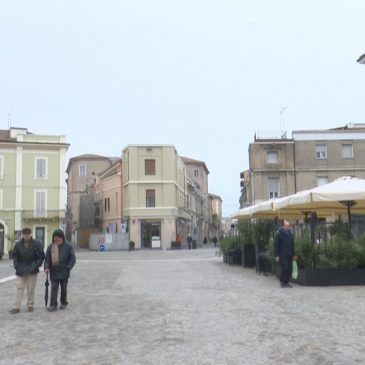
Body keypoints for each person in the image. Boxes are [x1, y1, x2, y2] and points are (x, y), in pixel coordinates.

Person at [9, 227, 45, 314]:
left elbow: (41, 256)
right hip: (20, 269)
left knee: (30, 288)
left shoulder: (37, 243)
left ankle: (30, 305)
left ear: (30, 234)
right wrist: (16, 265)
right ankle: (16, 307)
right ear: (22, 235)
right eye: (25, 234)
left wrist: (36, 265)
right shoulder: (18, 245)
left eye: (28, 234)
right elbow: (15, 256)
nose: (26, 236)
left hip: (32, 269)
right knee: (19, 288)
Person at [44, 229, 76, 312]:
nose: (56, 239)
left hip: (64, 271)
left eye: (57, 237)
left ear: (62, 237)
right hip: (54, 271)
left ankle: (63, 302)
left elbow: (72, 258)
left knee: (63, 288)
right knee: (54, 288)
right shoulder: (51, 247)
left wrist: (68, 267)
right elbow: (47, 259)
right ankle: (53, 305)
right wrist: (46, 267)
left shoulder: (69, 246)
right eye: (54, 237)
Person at [274, 220, 297, 288]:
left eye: (288, 226)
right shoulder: (279, 235)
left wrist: (294, 254)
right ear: (283, 226)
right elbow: (276, 246)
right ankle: (282, 280)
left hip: (290, 254)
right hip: (282, 255)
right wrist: (276, 255)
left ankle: (286, 282)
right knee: (285, 267)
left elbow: (292, 245)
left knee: (290, 269)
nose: (287, 227)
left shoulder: (290, 234)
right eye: (286, 226)